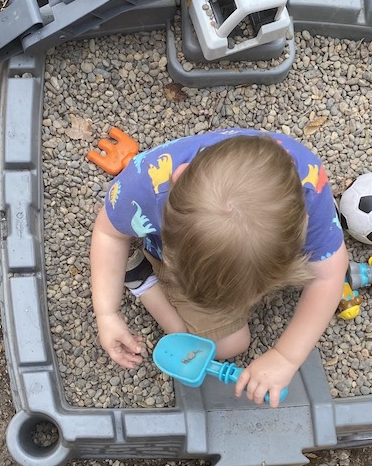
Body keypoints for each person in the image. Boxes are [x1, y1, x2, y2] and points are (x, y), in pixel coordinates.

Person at [90, 129, 348, 408]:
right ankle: (143, 281)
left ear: (304, 223)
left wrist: (286, 357)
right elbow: (108, 233)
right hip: (175, 255)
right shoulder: (145, 185)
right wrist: (106, 312)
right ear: (175, 179)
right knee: (230, 345)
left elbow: (330, 275)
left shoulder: (311, 189)